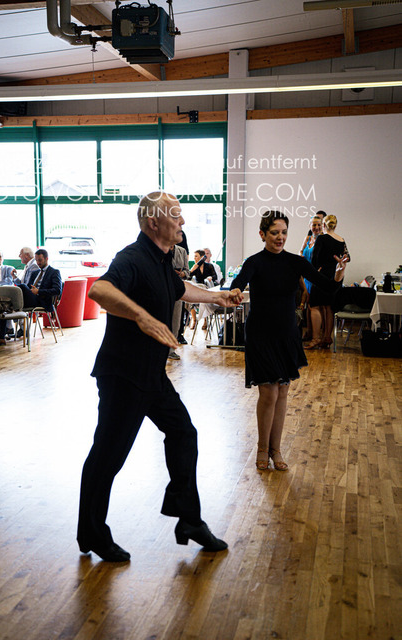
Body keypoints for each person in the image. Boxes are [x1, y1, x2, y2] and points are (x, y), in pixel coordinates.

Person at [76, 191, 243, 563]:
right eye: (176, 215)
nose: (182, 222)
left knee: (183, 433)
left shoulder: (163, 260)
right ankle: (91, 533)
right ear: (154, 222)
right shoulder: (132, 258)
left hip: (151, 375)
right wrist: (141, 316)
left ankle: (189, 520)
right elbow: (99, 289)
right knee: (108, 457)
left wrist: (217, 297)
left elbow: (180, 289)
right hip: (123, 376)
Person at [230, 210, 347, 472]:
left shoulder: (295, 262)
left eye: (283, 232)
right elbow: (237, 283)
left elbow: (328, 286)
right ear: (262, 234)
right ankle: (262, 448)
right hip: (261, 334)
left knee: (282, 391)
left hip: (286, 334)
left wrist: (339, 273)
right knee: (269, 392)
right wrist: (235, 291)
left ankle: (276, 449)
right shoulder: (254, 262)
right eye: (274, 233)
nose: (280, 237)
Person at [306, 214, 349, 349]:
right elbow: (348, 257)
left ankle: (315, 339)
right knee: (329, 307)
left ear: (324, 225)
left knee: (315, 305)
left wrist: (316, 270)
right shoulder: (341, 240)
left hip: (322, 275)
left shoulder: (322, 238)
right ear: (335, 226)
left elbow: (314, 258)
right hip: (337, 276)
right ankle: (327, 337)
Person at [299, 215, 323, 340]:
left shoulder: (323, 239)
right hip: (306, 276)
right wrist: (301, 256)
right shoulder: (308, 238)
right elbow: (300, 251)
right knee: (308, 306)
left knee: (314, 306)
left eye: (319, 224)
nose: (316, 227)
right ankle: (309, 332)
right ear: (310, 226)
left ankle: (316, 336)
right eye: (314, 225)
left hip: (316, 276)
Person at [168, 243, 190, 360]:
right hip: (162, 289)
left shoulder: (182, 251)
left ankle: (171, 349)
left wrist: (182, 273)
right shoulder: (159, 248)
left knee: (175, 321)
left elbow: (187, 272)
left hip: (177, 290)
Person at [12, 247, 38, 338]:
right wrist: (14, 277)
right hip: (26, 294)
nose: (19, 256)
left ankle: (21, 329)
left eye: (20, 254)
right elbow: (23, 284)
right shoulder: (28, 266)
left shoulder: (33, 266)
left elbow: (27, 286)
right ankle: (20, 328)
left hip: (33, 296)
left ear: (27, 255)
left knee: (11, 301)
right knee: (11, 300)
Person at [189, 250, 218, 329]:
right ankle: (194, 320)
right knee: (190, 301)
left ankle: (205, 320)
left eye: (196, 256)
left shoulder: (209, 266)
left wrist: (211, 277)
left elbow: (215, 276)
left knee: (204, 301)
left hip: (207, 289)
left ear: (202, 257)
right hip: (198, 288)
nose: (194, 258)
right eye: (194, 256)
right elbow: (188, 277)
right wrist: (192, 269)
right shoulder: (195, 267)